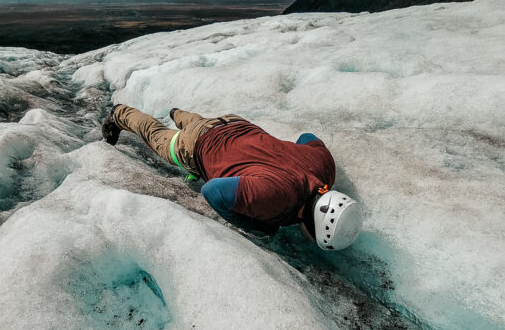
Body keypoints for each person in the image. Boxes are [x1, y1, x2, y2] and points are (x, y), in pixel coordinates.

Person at [102, 104, 362, 250]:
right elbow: (213, 191)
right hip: (194, 146)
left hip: (234, 123)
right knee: (155, 134)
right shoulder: (275, 197)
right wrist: (261, 228)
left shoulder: (325, 167)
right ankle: (119, 114)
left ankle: (178, 114)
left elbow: (307, 139)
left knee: (199, 122)